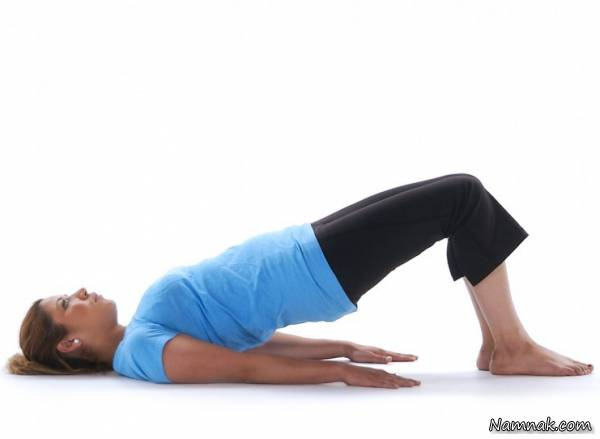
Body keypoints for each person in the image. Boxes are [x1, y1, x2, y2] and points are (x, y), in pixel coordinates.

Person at [6, 173, 593, 388]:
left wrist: (342, 346)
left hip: (308, 246)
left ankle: (496, 346)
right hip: (317, 267)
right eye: (67, 302)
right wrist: (338, 372)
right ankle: (511, 346)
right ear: (70, 343)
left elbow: (247, 342)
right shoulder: (143, 354)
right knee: (462, 196)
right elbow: (243, 368)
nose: (80, 292)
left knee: (461, 198)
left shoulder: (144, 331)